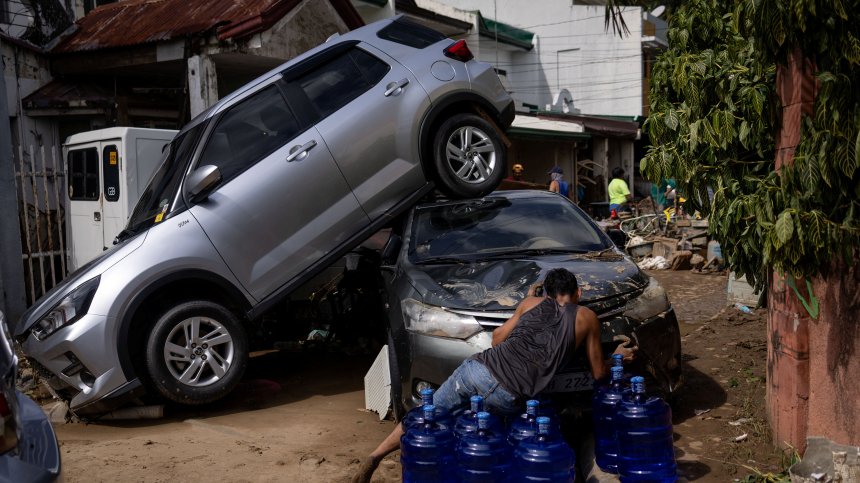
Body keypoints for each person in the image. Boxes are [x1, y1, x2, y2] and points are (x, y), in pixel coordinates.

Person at [351, 268, 635, 482]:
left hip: (475, 372)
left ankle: (375, 456)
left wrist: (525, 303)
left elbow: (498, 339)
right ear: (578, 294)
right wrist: (617, 358)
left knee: (430, 411)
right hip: (511, 396)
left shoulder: (529, 305)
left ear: (545, 293)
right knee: (503, 435)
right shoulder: (586, 317)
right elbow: (599, 373)